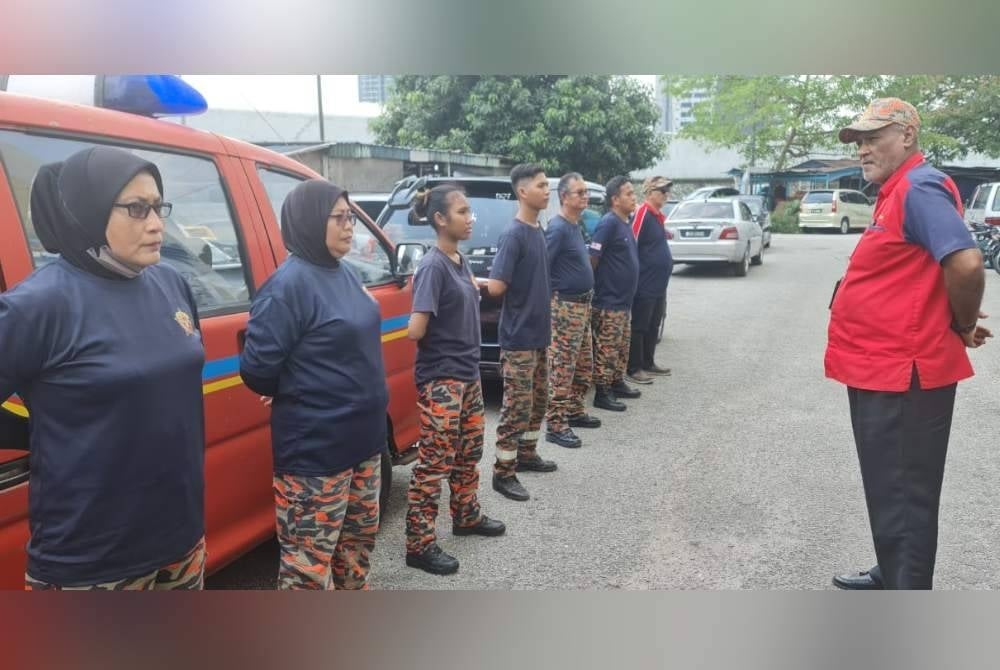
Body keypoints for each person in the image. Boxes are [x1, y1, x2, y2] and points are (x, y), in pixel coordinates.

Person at [0, 146, 206, 590]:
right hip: (90, 563)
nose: (155, 223)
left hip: (181, 544)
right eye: (136, 208)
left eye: (158, 206)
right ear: (89, 210)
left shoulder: (171, 283)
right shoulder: (39, 305)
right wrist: (37, 431)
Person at [827, 98, 992, 590]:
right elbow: (925, 268)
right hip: (883, 367)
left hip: (904, 374)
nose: (862, 148)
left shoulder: (917, 188)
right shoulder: (896, 191)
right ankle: (893, 569)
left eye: (873, 137)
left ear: (907, 136)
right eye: (858, 140)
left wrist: (962, 325)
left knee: (905, 493)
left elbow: (964, 263)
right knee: (889, 487)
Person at [240, 179, 386, 590]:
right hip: (317, 454)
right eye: (339, 218)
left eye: (351, 217)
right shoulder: (288, 287)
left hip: (364, 443)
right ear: (308, 221)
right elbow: (256, 369)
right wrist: (298, 385)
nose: (349, 227)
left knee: (356, 552)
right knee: (308, 568)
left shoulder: (344, 273)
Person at [404, 184, 506, 576]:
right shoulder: (432, 266)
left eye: (469, 212)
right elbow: (416, 329)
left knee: (467, 453)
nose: (470, 218)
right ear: (440, 220)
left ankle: (466, 516)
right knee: (434, 462)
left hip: (468, 376)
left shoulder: (459, 260)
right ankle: (419, 543)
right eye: (462, 212)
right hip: (442, 379)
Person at [487, 163, 557, 502]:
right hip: (518, 339)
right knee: (517, 406)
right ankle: (503, 473)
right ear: (522, 191)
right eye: (541, 185)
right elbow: (498, 286)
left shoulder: (537, 229)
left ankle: (527, 454)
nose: (547, 190)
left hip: (540, 334)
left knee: (538, 400)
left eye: (547, 185)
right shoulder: (514, 234)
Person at [544, 172, 602, 450]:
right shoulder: (556, 228)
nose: (585, 196)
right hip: (564, 308)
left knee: (583, 365)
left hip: (582, 305)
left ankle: (575, 410)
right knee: (562, 368)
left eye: (585, 192)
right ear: (564, 197)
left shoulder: (574, 226)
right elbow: (543, 269)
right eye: (579, 192)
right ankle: (555, 424)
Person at [589, 176, 641, 412]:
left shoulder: (625, 222)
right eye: (628, 194)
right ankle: (602, 391)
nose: (633, 197)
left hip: (624, 301)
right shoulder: (608, 223)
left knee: (621, 346)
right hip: (608, 301)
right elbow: (593, 259)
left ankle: (617, 381)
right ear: (615, 199)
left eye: (633, 193)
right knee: (607, 348)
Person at [625, 176, 675, 386]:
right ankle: (634, 367)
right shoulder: (643, 213)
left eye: (667, 191)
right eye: (661, 191)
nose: (665, 195)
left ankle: (648, 361)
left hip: (658, 283)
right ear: (649, 192)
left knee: (654, 323)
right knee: (640, 325)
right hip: (644, 282)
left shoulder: (657, 216)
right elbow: (631, 243)